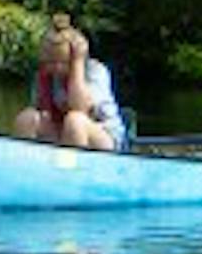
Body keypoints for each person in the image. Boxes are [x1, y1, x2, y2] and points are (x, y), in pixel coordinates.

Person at [12, 13, 125, 151]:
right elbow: (40, 109)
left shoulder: (95, 71)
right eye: (50, 62)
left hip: (102, 134)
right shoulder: (44, 75)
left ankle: (76, 171)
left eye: (62, 62)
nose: (55, 67)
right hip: (62, 132)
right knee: (27, 118)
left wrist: (77, 63)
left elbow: (80, 107)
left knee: (75, 121)